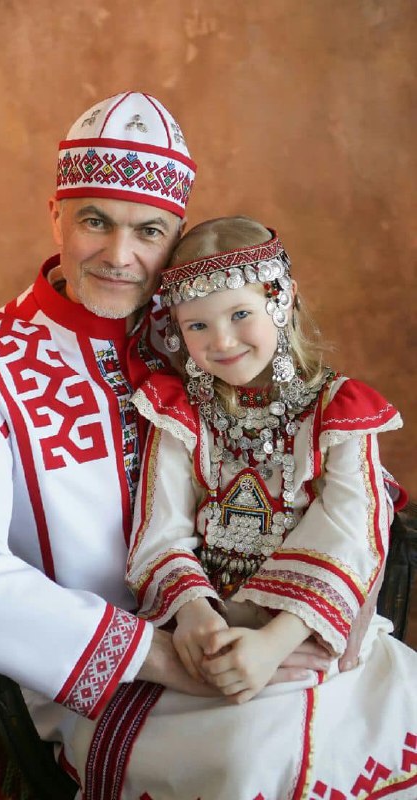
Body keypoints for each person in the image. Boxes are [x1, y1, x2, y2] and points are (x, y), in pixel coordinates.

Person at [0, 94, 370, 795]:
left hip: (249, 630)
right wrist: (153, 653)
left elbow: (324, 472)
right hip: (96, 671)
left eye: (148, 231)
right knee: (257, 766)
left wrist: (283, 628)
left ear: (174, 235)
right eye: (95, 220)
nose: (119, 257)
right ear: (55, 213)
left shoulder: (202, 338)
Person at [112, 215, 417, 799]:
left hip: (308, 636)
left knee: (261, 758)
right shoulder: (178, 415)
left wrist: (273, 641)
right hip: (199, 636)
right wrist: (198, 620)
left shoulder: (338, 413)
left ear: (284, 299)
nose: (221, 341)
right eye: (197, 325)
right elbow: (161, 532)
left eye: (241, 314)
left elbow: (352, 534)